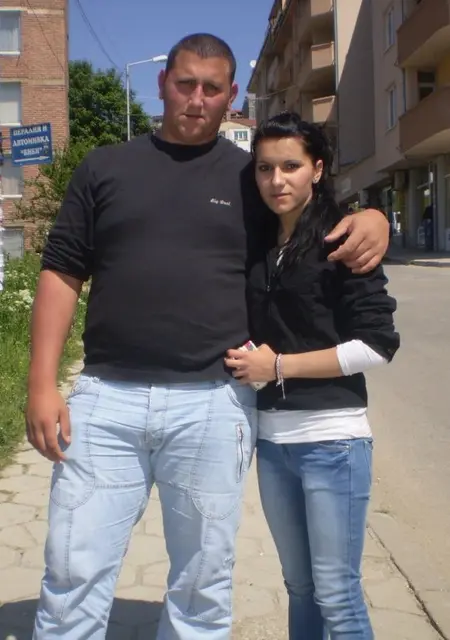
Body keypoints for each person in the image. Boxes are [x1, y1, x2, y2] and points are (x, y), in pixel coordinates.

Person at [26, 34, 391, 640]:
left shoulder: (252, 178)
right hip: (105, 403)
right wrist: (42, 383)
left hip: (212, 405)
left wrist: (372, 217)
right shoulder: (105, 167)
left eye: (212, 88)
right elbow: (62, 271)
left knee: (203, 586)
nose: (196, 99)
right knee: (72, 571)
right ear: (163, 83)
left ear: (230, 96)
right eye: (185, 84)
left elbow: (313, 208)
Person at [225, 112, 400, 640]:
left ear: (317, 170)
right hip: (273, 447)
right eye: (265, 168)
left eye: (291, 166)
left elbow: (377, 345)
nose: (276, 180)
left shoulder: (341, 241)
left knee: (337, 594)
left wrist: (278, 367)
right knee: (299, 587)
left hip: (333, 444)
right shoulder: (259, 245)